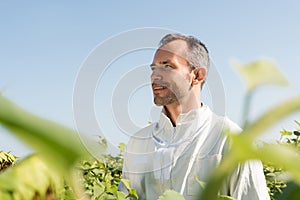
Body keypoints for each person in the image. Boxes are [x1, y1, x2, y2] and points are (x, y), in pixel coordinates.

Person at [120, 33, 270, 200]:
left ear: (197, 75)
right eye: (154, 68)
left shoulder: (232, 140)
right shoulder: (138, 143)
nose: (155, 76)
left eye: (167, 66)